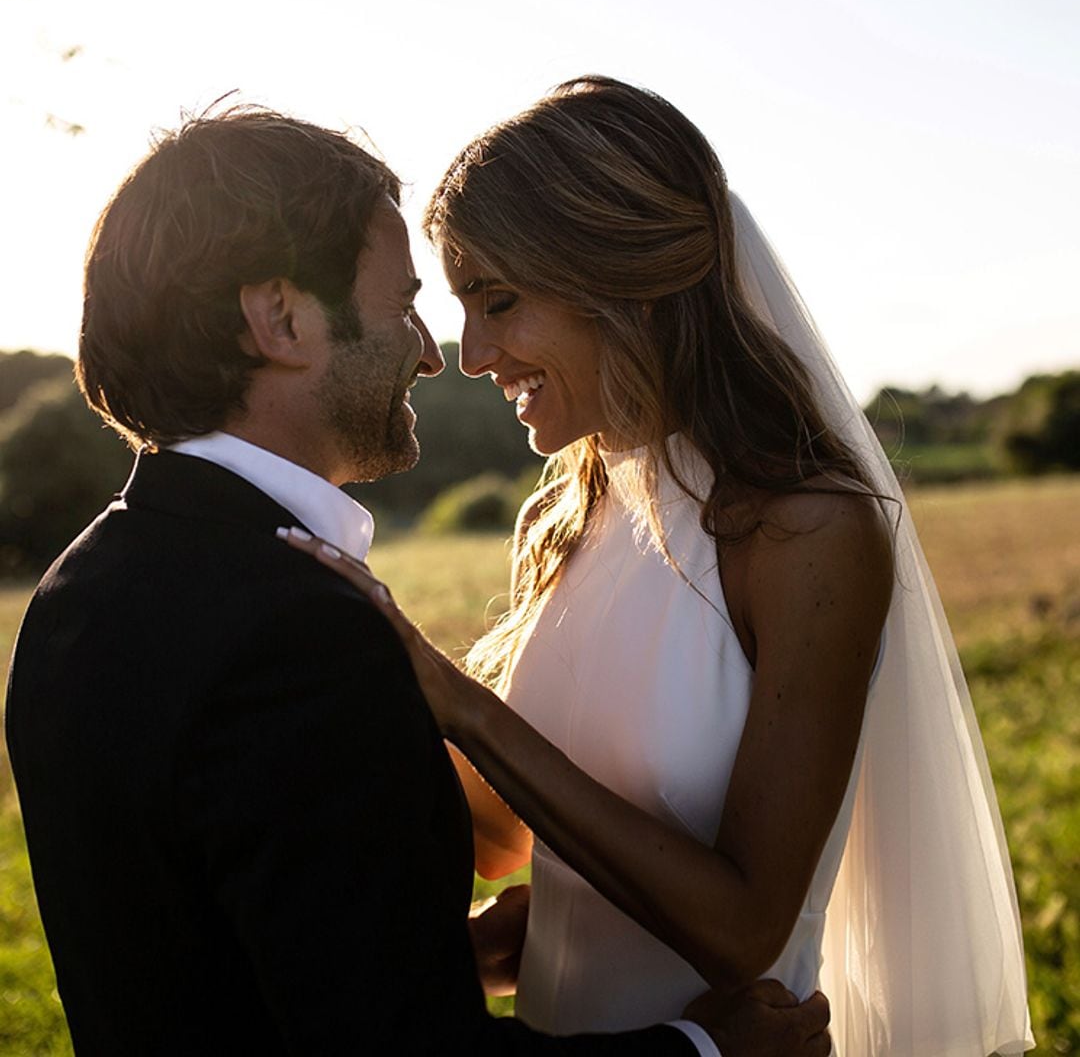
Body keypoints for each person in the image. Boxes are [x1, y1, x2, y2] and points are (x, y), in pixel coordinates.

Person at [3, 108, 832, 1056]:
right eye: (403, 304)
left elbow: (221, 953)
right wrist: (708, 1051)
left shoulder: (75, 593)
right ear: (280, 319)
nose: (437, 353)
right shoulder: (302, 635)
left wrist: (424, 953)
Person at [287, 77, 1034, 1055]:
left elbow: (744, 928)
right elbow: (505, 839)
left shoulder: (806, 534)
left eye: (499, 301)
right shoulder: (561, 515)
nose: (472, 355)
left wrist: (461, 703)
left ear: (617, 281)